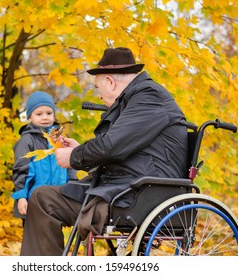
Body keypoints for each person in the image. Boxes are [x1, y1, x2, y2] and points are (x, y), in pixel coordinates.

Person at [19, 47, 188, 256]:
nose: (98, 95)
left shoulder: (149, 97)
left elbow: (112, 145)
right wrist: (79, 150)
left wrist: (74, 157)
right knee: (42, 196)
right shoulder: (136, 99)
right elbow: (119, 147)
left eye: (98, 87)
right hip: (124, 187)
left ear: (110, 81)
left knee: (44, 198)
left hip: (141, 195)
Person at [11, 91, 75, 225]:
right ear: (30, 117)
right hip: (34, 201)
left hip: (58, 200)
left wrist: (73, 189)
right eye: (39, 114)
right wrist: (21, 197)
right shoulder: (27, 140)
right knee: (36, 240)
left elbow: (70, 166)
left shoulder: (60, 140)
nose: (45, 117)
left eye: (49, 113)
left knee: (54, 238)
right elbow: (21, 169)